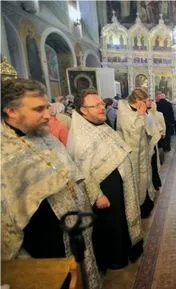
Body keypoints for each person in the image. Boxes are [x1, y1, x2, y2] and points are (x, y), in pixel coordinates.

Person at [1, 79, 101, 289]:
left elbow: (72, 171)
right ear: (11, 111)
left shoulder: (44, 135)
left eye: (47, 106)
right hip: (44, 237)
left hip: (74, 227)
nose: (48, 114)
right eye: (38, 109)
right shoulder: (4, 153)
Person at [67, 89, 144, 271]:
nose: (103, 108)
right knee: (111, 225)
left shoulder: (100, 125)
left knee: (122, 220)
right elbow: (81, 171)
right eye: (96, 106)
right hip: (104, 190)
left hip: (118, 184)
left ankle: (126, 250)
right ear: (83, 110)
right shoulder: (79, 136)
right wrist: (97, 195)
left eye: (102, 103)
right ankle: (114, 259)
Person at [116, 88, 159, 218]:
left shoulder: (142, 112)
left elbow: (149, 129)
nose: (147, 103)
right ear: (138, 101)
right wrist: (140, 116)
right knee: (136, 181)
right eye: (145, 101)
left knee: (146, 179)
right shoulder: (124, 113)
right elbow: (132, 136)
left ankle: (146, 205)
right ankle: (137, 209)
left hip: (144, 153)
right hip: (132, 157)